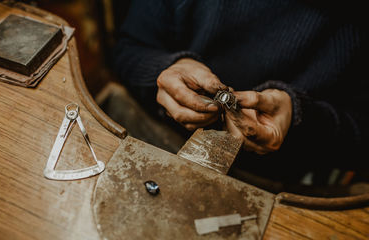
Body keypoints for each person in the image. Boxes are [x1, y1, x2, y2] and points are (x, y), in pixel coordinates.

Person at [112, 0, 368, 185]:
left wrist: (302, 117)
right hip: (156, 137)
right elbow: (127, 49)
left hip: (266, 179)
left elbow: (360, 141)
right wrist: (165, 70)